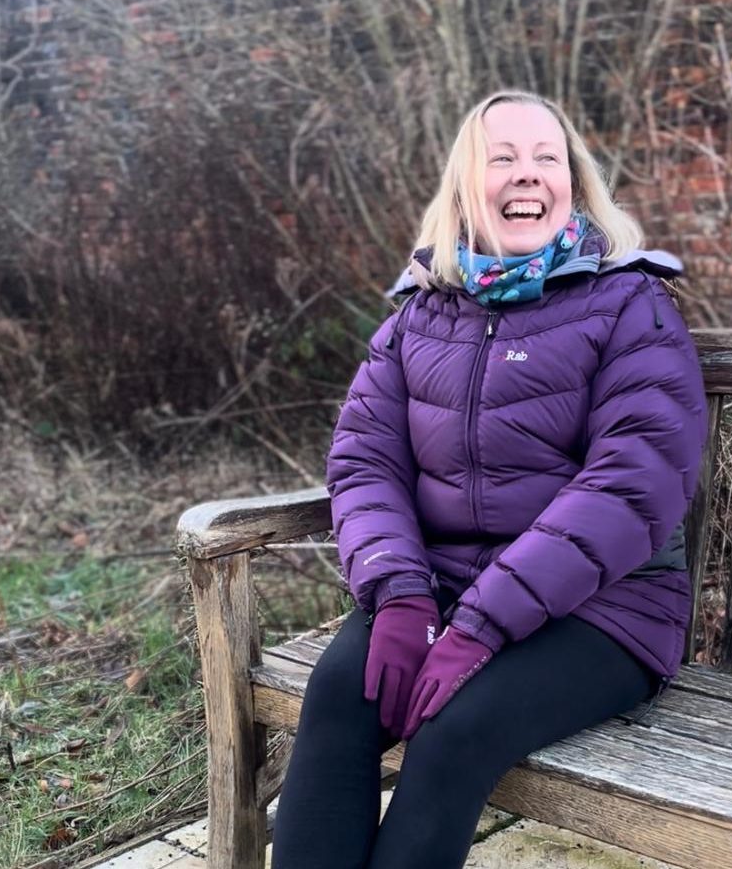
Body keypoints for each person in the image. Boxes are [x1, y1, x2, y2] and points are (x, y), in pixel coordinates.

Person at [270, 89, 707, 869]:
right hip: (437, 588)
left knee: (455, 729)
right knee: (342, 693)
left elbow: (633, 482)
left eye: (547, 159)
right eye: (500, 159)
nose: (525, 176)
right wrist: (399, 595)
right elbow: (365, 462)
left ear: (573, 182)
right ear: (467, 184)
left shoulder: (628, 304)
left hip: (604, 609)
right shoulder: (418, 317)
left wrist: (481, 624)